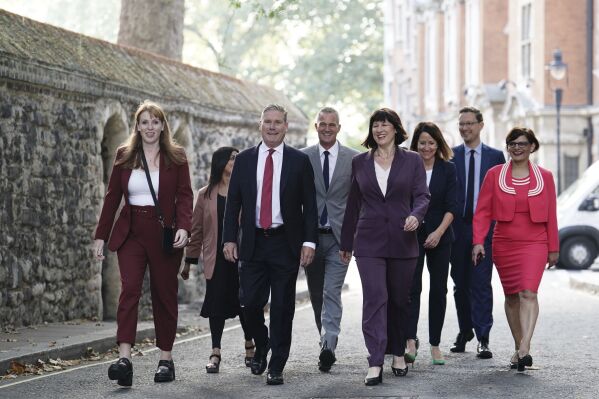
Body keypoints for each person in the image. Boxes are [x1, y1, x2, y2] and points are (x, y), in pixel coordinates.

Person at [93, 100, 193, 386]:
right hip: (131, 232)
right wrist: (101, 235)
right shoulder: (125, 155)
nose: (150, 127)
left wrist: (184, 228)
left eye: (155, 121)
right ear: (137, 125)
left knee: (164, 295)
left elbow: (185, 196)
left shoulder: (176, 156)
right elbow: (112, 197)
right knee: (130, 291)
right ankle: (124, 359)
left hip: (164, 233)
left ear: (163, 125)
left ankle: (165, 359)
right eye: (145, 122)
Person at [222, 104, 318, 386]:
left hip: (285, 243)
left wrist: (309, 242)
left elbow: (309, 207)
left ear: (286, 126)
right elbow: (234, 203)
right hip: (252, 242)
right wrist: (229, 238)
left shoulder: (299, 161)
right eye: (268, 122)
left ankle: (277, 364)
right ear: (260, 125)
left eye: (278, 122)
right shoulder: (245, 160)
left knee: (282, 308)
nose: (272, 126)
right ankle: (262, 344)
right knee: (248, 302)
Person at [339, 108, 430, 386]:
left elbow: (422, 195)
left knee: (399, 300)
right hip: (369, 241)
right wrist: (346, 242)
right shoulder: (360, 162)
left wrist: (416, 214)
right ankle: (376, 359)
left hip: (403, 240)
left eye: (385, 125)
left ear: (395, 129)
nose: (380, 129)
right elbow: (353, 204)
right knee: (375, 298)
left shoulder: (412, 160)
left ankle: (398, 351)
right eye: (375, 125)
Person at [472, 127, 559, 372]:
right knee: (511, 297)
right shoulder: (493, 175)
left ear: (532, 146)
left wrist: (554, 248)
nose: (517, 147)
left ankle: (525, 348)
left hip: (536, 242)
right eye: (512, 143)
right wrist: (478, 241)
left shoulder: (546, 177)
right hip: (504, 242)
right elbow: (482, 212)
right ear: (508, 147)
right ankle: (518, 346)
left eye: (522, 143)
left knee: (528, 293)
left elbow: (551, 214)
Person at [181, 147, 255, 374]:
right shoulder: (205, 194)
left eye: (237, 158)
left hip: (243, 258)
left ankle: (250, 344)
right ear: (220, 162)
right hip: (216, 259)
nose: (236, 160)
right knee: (216, 307)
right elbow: (197, 230)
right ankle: (215, 351)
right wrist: (189, 261)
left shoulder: (247, 190)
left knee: (246, 305)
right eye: (232, 158)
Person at [301, 107, 359, 372]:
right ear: (316, 127)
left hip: (339, 238)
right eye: (322, 124)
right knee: (315, 294)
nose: (326, 128)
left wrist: (353, 237)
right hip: (311, 239)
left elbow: (359, 202)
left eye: (331, 124)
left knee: (331, 291)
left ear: (338, 127)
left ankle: (329, 344)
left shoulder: (354, 159)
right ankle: (323, 337)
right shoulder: (303, 158)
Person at [449, 106, 505, 359]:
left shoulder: (495, 157)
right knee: (460, 284)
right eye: (461, 124)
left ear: (481, 125)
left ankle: (483, 337)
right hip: (457, 228)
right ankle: (465, 331)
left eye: (470, 123)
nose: (465, 128)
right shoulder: (451, 155)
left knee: (481, 283)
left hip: (485, 229)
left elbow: (502, 195)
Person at [406, 122, 458, 366]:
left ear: (438, 145)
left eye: (431, 143)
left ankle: (435, 344)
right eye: (422, 142)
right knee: (411, 289)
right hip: (411, 235)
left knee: (439, 290)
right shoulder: (407, 167)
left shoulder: (448, 169)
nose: (426, 147)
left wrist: (438, 233)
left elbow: (452, 206)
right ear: (415, 144)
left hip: (441, 235)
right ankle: (410, 340)